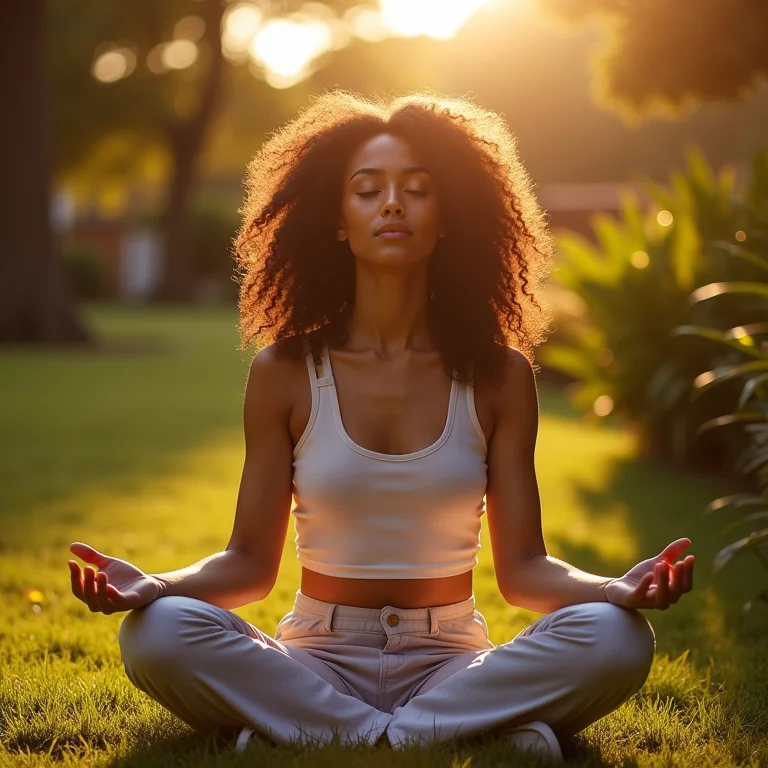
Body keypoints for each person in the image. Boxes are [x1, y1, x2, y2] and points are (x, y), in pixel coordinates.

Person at [67, 91, 694, 761]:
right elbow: (249, 564)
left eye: (416, 189)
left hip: (451, 662)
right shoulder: (285, 371)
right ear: (337, 218)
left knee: (619, 637)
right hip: (316, 661)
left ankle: (309, 731)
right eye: (367, 190)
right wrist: (157, 586)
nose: (391, 204)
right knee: (155, 633)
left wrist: (614, 590)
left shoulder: (499, 376)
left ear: (447, 215)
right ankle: (453, 732)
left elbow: (525, 571)